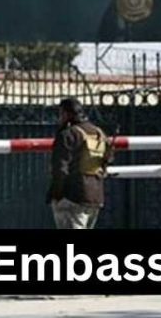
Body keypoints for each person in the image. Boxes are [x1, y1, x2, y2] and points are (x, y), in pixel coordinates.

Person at [46, 98, 112, 229]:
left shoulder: (68, 134)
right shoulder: (99, 133)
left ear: (65, 114)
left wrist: (56, 194)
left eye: (60, 114)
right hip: (95, 196)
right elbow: (108, 159)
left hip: (72, 197)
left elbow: (60, 168)